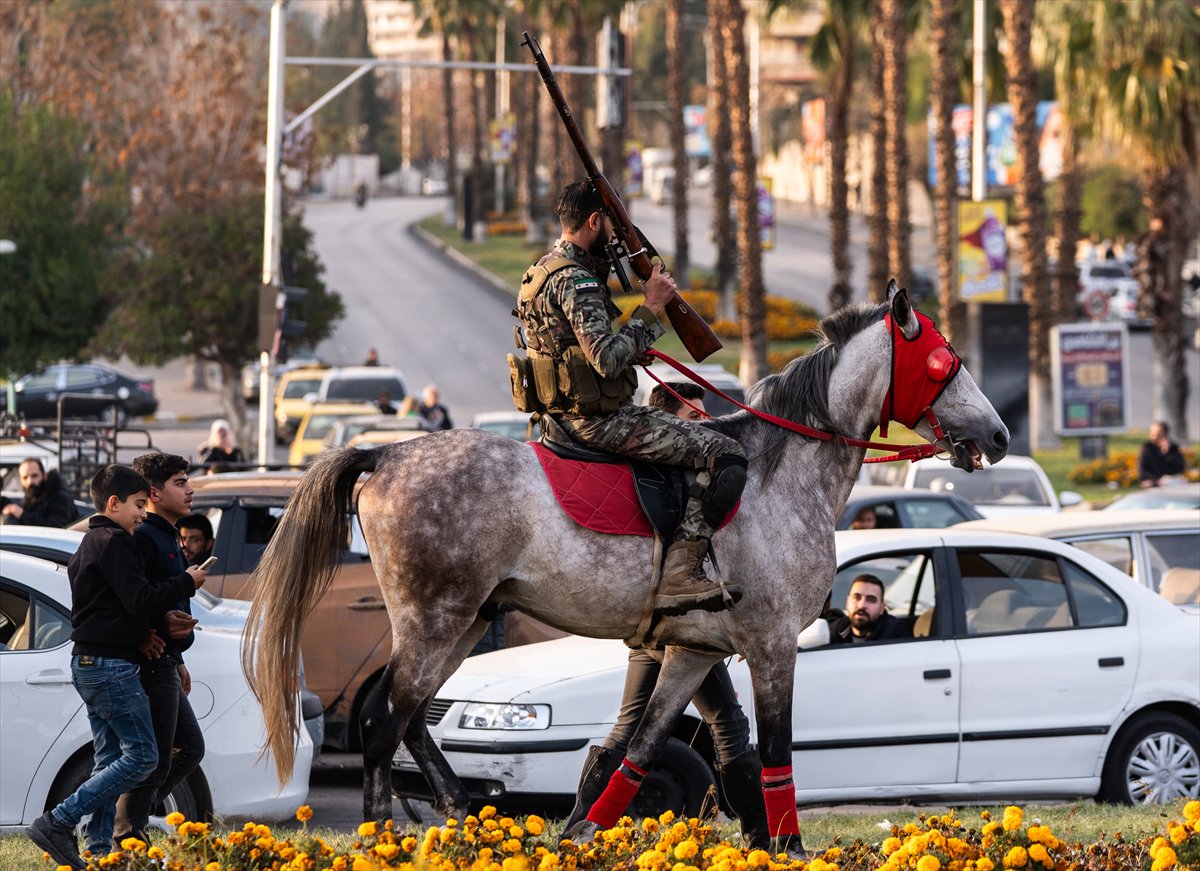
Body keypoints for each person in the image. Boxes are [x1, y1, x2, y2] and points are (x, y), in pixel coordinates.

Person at [515, 181, 747, 615]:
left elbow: (576, 349)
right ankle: (681, 573)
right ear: (594, 221)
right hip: (597, 420)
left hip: (559, 415)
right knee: (726, 454)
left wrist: (636, 336)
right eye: (615, 225)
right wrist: (652, 307)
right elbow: (604, 360)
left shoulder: (543, 269)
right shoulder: (577, 279)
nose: (620, 237)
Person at [564, 386, 767, 847]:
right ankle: (760, 835)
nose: (702, 423)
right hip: (686, 630)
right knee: (730, 727)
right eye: (693, 414)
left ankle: (578, 825)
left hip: (648, 629)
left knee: (627, 727)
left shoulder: (652, 476)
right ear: (674, 417)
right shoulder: (687, 477)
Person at [24, 465, 207, 869]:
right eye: (139, 505)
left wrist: (152, 629)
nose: (144, 514)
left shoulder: (93, 541)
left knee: (111, 760)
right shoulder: (115, 542)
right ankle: (59, 821)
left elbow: (117, 607)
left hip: (94, 663)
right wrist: (186, 584)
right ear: (114, 503)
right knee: (143, 756)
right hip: (107, 666)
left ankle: (97, 848)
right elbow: (139, 598)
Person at [112, 455, 205, 849]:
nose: (190, 490)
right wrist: (155, 630)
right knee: (155, 758)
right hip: (148, 662)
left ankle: (133, 823)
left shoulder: (169, 533)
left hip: (168, 659)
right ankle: (125, 837)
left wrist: (179, 657)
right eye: (180, 482)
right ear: (154, 493)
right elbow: (136, 599)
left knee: (190, 749)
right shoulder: (144, 536)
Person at [830, 574, 913, 644]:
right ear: (847, 603)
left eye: (871, 600)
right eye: (857, 597)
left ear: (882, 608)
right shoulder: (834, 631)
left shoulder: (897, 635)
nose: (861, 605)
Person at [1, 456, 76, 527]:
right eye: (25, 477)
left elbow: (56, 528)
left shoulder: (60, 498)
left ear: (44, 475)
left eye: (34, 476)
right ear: (20, 480)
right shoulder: (32, 496)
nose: (30, 481)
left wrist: (21, 514)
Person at [1138, 420, 1186, 487]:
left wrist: (1167, 453)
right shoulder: (1147, 448)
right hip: (1154, 482)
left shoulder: (1173, 448)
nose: (1154, 435)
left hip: (1172, 482)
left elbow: (1180, 467)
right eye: (1152, 432)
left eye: (1158, 432)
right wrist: (1149, 480)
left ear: (1165, 433)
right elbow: (1143, 469)